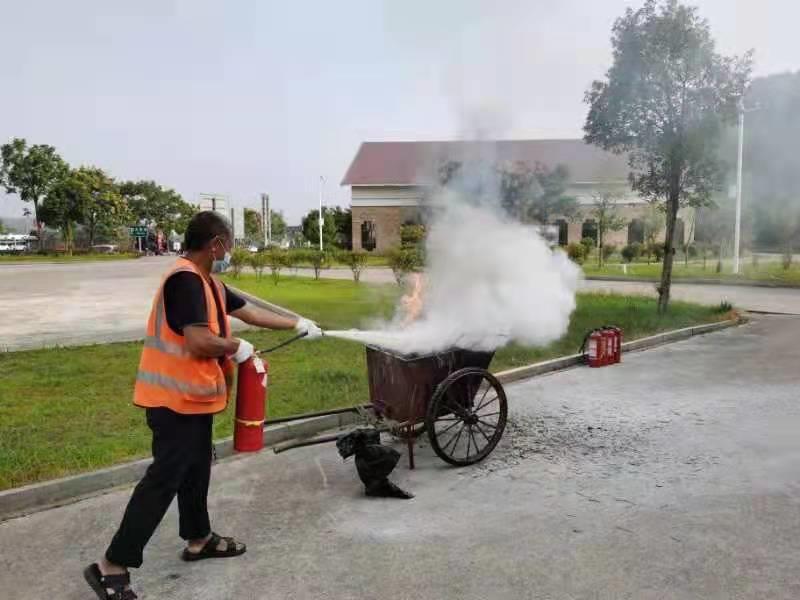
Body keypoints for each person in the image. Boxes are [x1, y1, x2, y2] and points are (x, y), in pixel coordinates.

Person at [84, 211, 322, 600]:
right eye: (229, 244)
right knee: (163, 480)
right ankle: (111, 566)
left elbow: (249, 311)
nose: (230, 251)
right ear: (215, 245)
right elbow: (198, 341)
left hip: (192, 399)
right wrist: (235, 346)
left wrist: (297, 323)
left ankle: (198, 539)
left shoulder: (209, 282)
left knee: (196, 471)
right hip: (172, 401)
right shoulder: (185, 281)